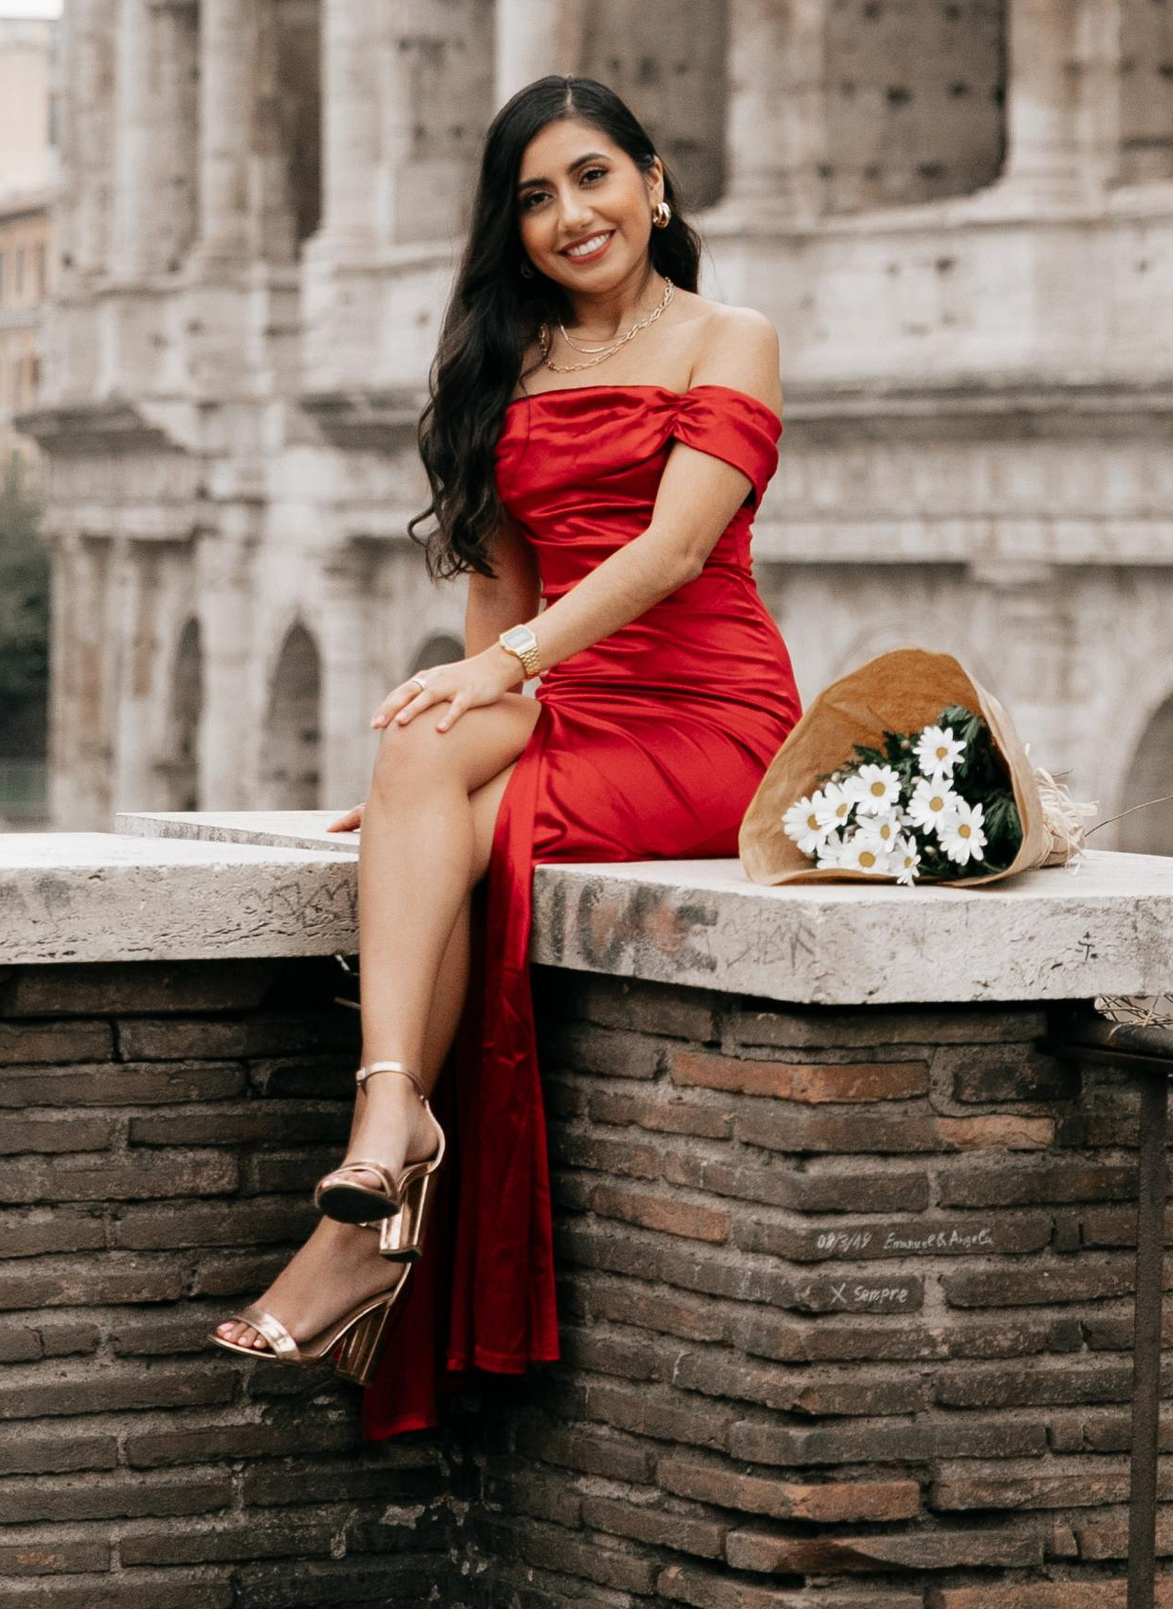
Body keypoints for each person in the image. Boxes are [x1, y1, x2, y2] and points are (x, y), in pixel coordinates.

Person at [213, 73, 801, 1426]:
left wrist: (500, 677)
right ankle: (388, 1128)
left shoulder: (731, 335)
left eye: (593, 177)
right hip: (560, 700)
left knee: (446, 782)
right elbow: (496, 598)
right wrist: (429, 763)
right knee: (425, 751)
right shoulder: (507, 365)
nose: (569, 215)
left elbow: (676, 549)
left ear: (655, 184)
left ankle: (373, 1197)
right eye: (533, 198)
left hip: (707, 712)